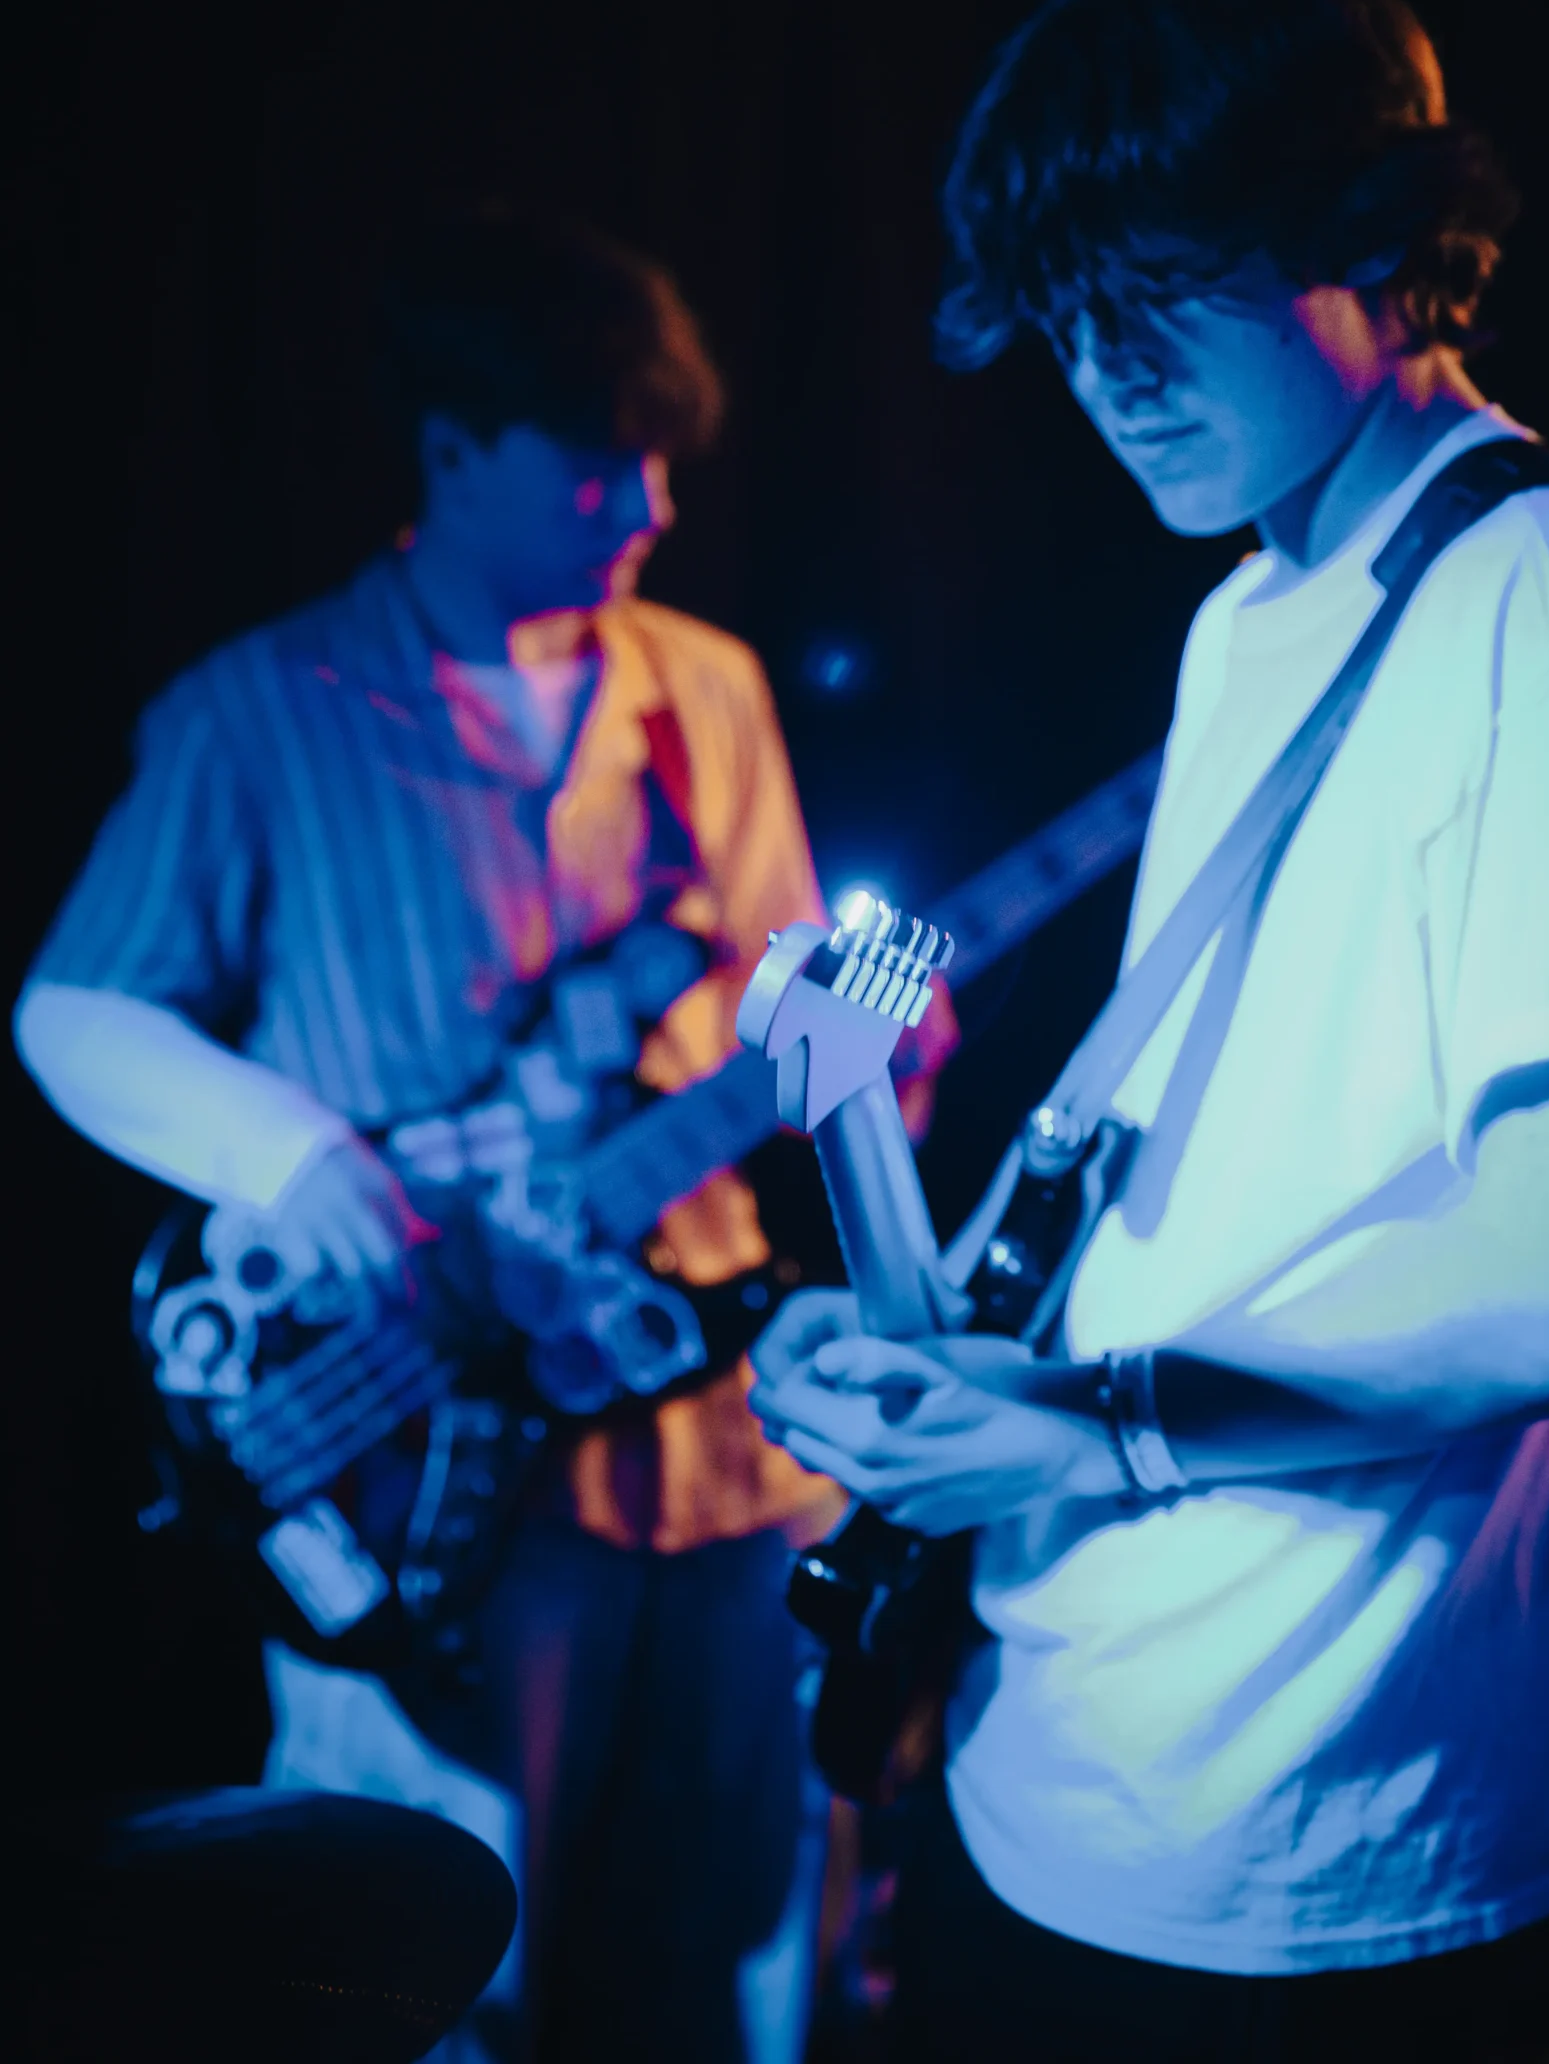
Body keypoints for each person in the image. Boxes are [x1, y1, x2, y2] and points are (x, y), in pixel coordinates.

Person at [751, 0, 1549, 2061]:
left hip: (1329, 1838)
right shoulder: (1252, 607)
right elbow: (1228, 1176)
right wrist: (929, 1341)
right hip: (1087, 1747)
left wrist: (1093, 1422)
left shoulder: (1543, 587)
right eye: (1064, 313)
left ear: (1375, 233)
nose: (1105, 373)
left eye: (1158, 290)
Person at [15, 211, 928, 2064]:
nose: (650, 505)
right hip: (434, 1482)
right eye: (598, 464)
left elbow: (797, 1037)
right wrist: (293, 1156)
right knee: (441, 1965)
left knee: (762, 1933)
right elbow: (74, 1010)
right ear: (449, 447)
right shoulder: (254, 712)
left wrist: (870, 1068)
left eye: (662, 462)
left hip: (723, 1438)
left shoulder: (707, 687)